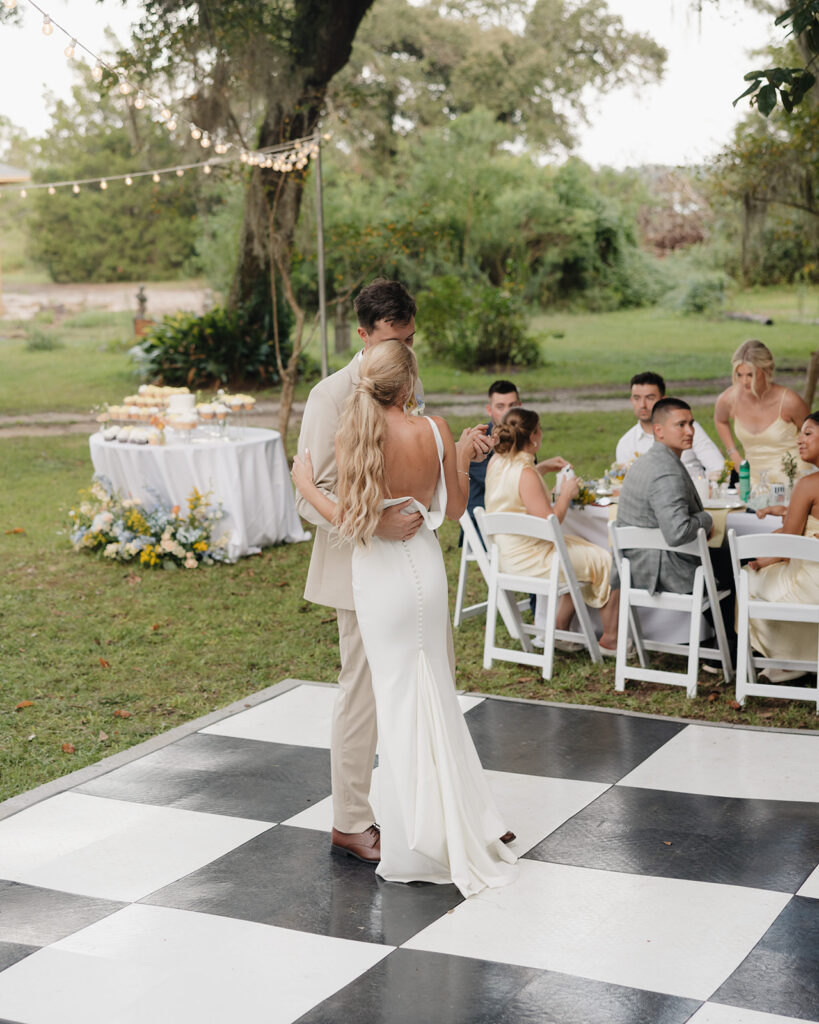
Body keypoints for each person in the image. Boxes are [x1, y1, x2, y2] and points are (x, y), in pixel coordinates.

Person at [292, 339, 517, 898]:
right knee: (435, 690)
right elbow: (457, 509)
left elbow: (353, 518)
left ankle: (418, 835)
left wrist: (302, 486)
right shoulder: (435, 429)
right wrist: (460, 455)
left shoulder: (357, 433)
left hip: (380, 577)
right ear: (409, 383)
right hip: (424, 569)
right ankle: (464, 818)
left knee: (394, 703)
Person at [484, 407, 620, 655]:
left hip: (505, 557)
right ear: (534, 436)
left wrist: (542, 468)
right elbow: (552, 523)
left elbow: (517, 493)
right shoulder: (525, 473)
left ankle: (559, 627)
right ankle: (611, 639)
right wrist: (566, 493)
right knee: (606, 561)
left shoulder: (497, 462)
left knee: (580, 548)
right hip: (531, 560)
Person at [746, 411, 819, 683]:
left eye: (807, 433)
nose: (799, 439)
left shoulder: (809, 484)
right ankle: (801, 658)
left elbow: (788, 543)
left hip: (810, 586)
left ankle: (787, 660)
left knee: (747, 577)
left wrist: (762, 560)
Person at [614, 398, 714, 595]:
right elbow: (678, 532)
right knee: (735, 570)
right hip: (665, 571)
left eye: (691, 423)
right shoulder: (667, 472)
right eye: (681, 425)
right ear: (658, 430)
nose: (690, 431)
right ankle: (730, 627)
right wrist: (706, 519)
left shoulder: (645, 461)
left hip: (636, 565)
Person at [466, 379, 567, 525]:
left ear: (520, 406)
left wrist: (542, 468)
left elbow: (517, 480)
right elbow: (511, 484)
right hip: (484, 525)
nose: (508, 412)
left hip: (519, 521)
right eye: (500, 407)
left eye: (512, 406)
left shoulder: (522, 439)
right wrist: (565, 494)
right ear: (489, 410)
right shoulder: (480, 443)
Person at [714, 339, 811, 488]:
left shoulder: (789, 401)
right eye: (739, 375)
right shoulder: (729, 399)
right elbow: (720, 420)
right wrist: (734, 454)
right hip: (753, 479)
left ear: (765, 371)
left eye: (750, 375)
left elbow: (814, 434)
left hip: (792, 478)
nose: (744, 381)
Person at [616, 371, 723, 478]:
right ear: (631, 400)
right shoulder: (626, 443)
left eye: (650, 398)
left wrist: (705, 487)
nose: (642, 405)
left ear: (663, 400)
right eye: (636, 398)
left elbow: (718, 467)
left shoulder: (688, 429)